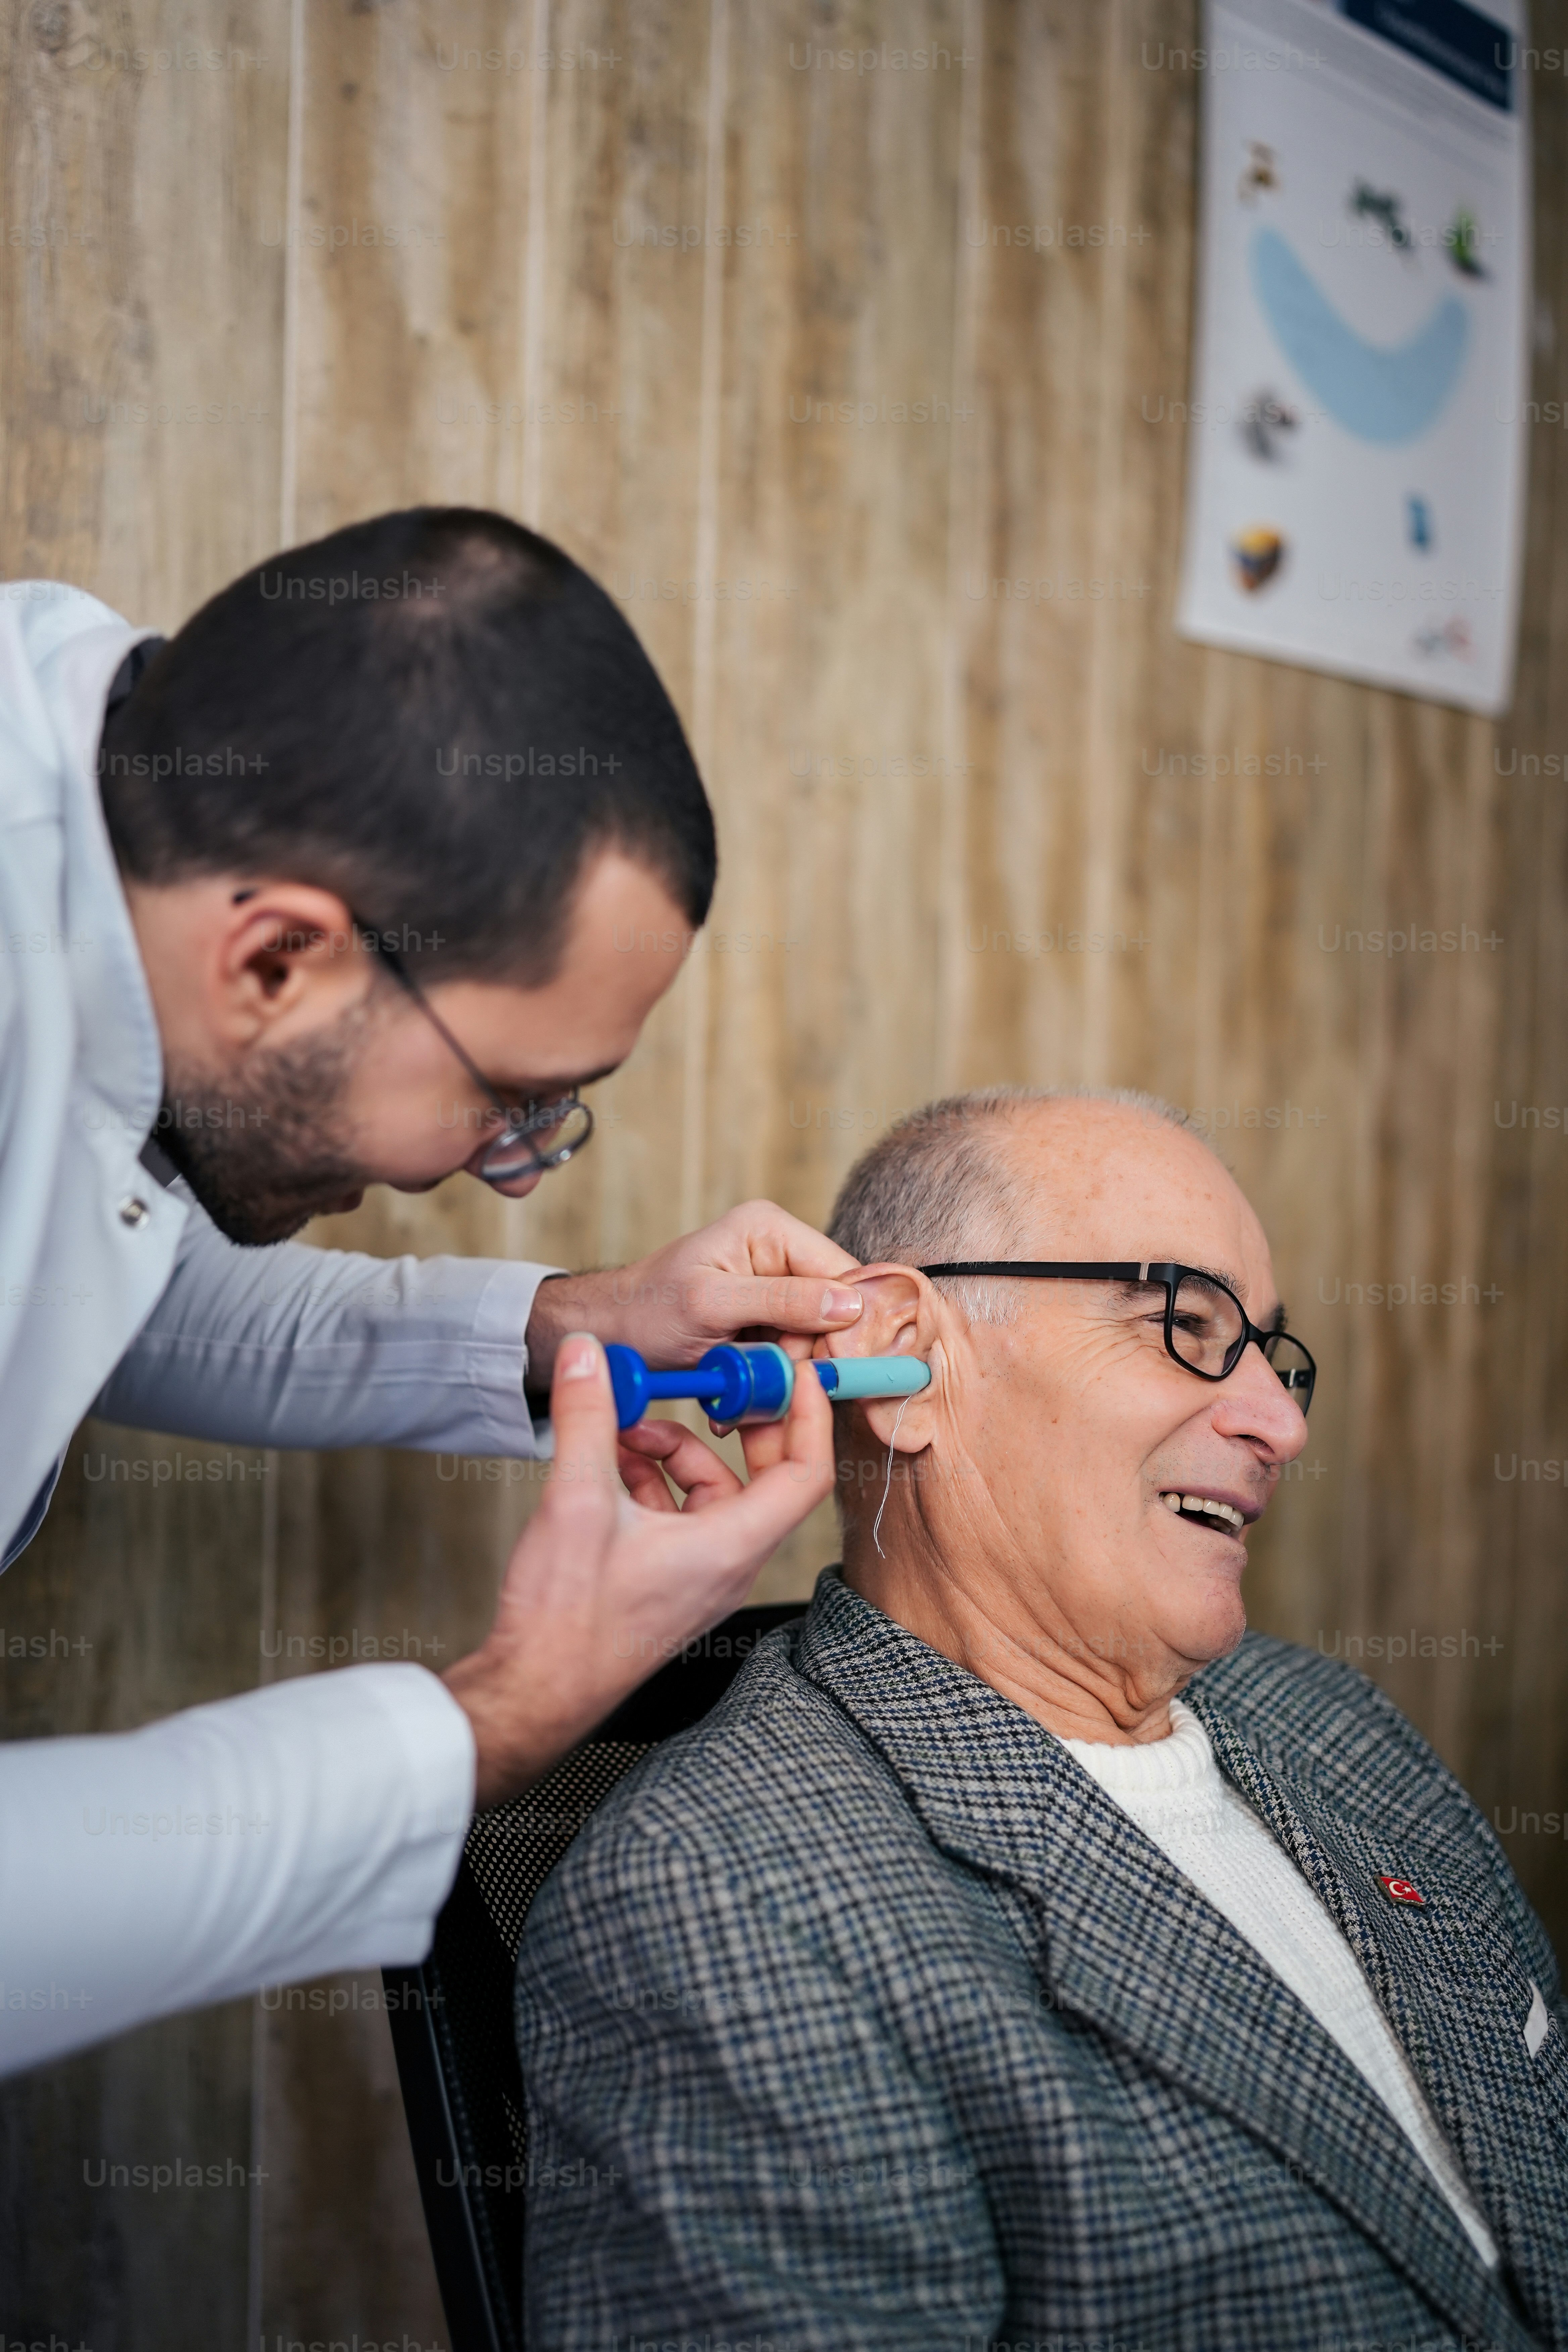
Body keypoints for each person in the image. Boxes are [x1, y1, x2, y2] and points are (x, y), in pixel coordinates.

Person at [0, 508, 856, 2076]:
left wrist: (567, 1328)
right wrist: (502, 1716)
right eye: (508, 1097)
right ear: (276, 961)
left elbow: (83, 1286)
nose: (509, 1171)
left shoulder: (128, 818)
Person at [515, 1087, 1568, 2352]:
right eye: (1184, 1323)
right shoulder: (724, 1898)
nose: (1283, 1424)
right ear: (905, 1359)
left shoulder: (1331, 1720)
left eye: (1269, 1353)